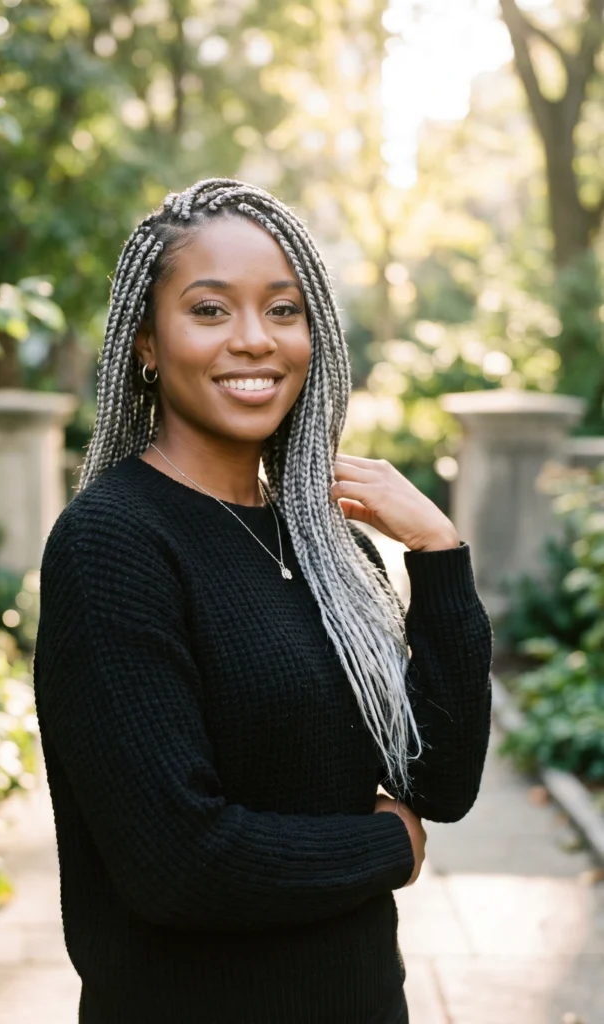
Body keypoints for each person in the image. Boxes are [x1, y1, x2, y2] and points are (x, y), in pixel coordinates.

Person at [33, 177, 493, 1024]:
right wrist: (386, 844)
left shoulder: (331, 550)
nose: (254, 341)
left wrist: (437, 555)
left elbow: (443, 778)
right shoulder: (113, 544)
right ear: (144, 341)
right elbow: (176, 860)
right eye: (209, 310)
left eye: (284, 311)